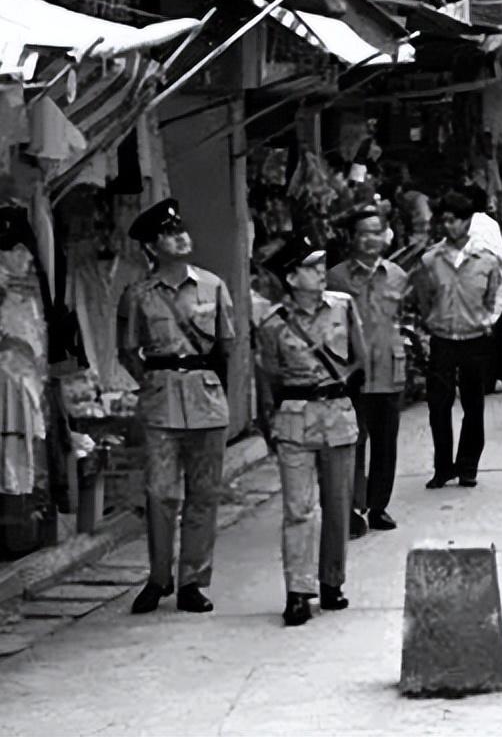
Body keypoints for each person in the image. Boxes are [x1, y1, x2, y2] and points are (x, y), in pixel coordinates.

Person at [117, 199, 234, 615]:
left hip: (206, 398)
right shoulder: (138, 296)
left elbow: (226, 345)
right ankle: (158, 576)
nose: (181, 236)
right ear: (152, 246)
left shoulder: (213, 286)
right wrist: (154, 382)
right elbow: (128, 351)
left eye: (181, 229)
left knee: (204, 494)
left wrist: (212, 387)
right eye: (169, 233)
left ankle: (192, 581)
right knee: (160, 493)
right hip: (162, 401)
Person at [256, 236, 367, 627]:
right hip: (296, 416)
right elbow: (268, 373)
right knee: (297, 508)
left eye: (321, 265)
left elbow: (360, 356)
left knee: (338, 504)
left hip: (336, 412)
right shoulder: (272, 323)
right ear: (291, 277)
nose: (321, 272)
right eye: (311, 266)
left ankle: (331, 581)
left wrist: (341, 386)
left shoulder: (343, 306)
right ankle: (298, 591)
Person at [411, 190, 502, 488]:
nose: (449, 226)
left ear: (468, 222)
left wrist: (487, 320)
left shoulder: (487, 261)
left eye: (455, 221)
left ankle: (468, 466)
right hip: (442, 337)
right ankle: (443, 467)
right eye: (445, 221)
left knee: (473, 404)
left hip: (475, 337)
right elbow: (423, 297)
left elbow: (498, 294)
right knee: (438, 405)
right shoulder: (430, 260)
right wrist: (431, 321)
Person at [326, 206, 409, 538]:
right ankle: (351, 508)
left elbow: (407, 317)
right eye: (364, 233)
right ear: (352, 238)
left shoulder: (398, 276)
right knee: (352, 442)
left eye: (377, 232)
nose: (371, 239)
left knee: (386, 442)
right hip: (352, 373)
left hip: (390, 368)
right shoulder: (336, 278)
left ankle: (378, 506)